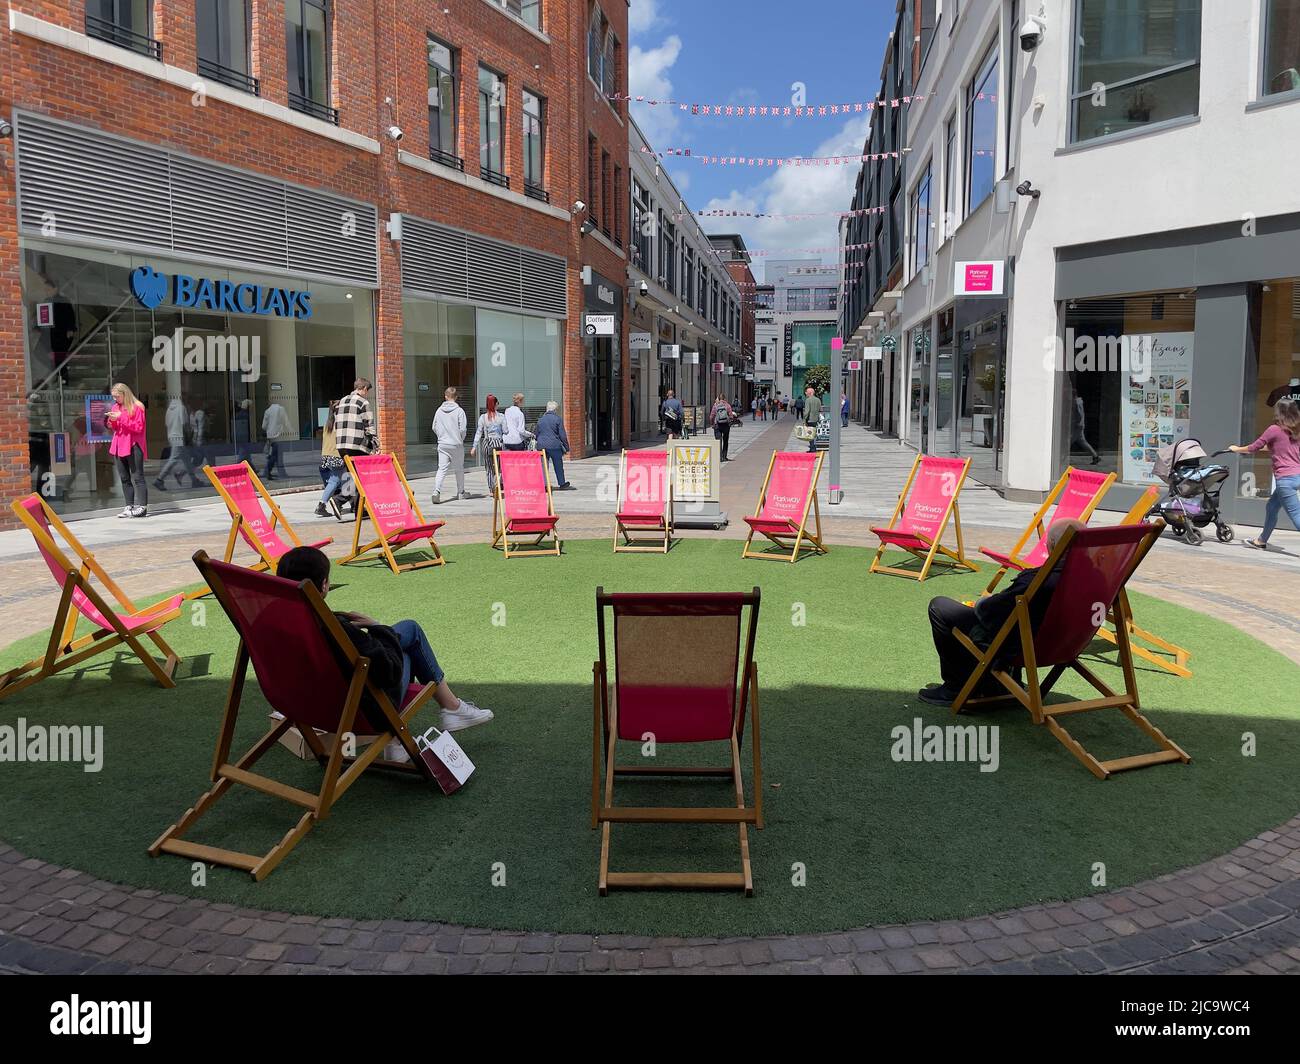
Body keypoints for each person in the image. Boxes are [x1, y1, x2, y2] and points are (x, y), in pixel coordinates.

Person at [276, 547, 494, 754]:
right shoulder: (334, 629)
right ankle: (450, 709)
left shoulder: (279, 624)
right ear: (323, 585)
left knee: (407, 631)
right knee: (411, 635)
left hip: (306, 705)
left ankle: (406, 738)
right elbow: (388, 673)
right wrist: (377, 628)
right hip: (360, 711)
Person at [919, 519, 1085, 707]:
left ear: (1053, 545)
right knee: (1020, 620)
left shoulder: (1040, 580)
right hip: (1065, 646)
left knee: (940, 607)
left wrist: (983, 602)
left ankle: (956, 687)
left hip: (1022, 648)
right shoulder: (1096, 578)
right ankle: (1004, 683)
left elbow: (992, 612)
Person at [1231, 396, 1300, 552]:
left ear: (1279, 412)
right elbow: (1280, 447)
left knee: (1296, 515)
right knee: (1272, 507)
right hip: (1296, 476)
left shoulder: (1274, 429)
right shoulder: (1296, 429)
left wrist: (1236, 449)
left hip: (1285, 480)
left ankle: (1261, 540)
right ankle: (1261, 541)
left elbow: (1254, 447)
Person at [106, 382, 148, 518]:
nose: (115, 399)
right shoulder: (116, 406)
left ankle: (142, 507)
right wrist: (112, 420)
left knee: (138, 477)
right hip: (119, 444)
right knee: (124, 477)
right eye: (113, 397)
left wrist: (120, 417)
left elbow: (138, 427)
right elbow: (115, 427)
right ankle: (129, 505)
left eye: (117, 396)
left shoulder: (137, 407)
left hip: (133, 444)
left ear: (125, 394)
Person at [431, 387, 468, 505]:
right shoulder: (459, 411)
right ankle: (461, 492)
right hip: (456, 443)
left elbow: (434, 426)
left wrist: (441, 436)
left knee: (441, 469)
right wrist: (459, 438)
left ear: (445, 396)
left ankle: (436, 491)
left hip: (443, 444)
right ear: (456, 397)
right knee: (459, 469)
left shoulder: (439, 410)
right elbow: (462, 429)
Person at [153, 396, 199, 491]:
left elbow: (167, 424)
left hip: (171, 436)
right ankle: (159, 479)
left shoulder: (169, 410)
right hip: (180, 437)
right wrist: (188, 437)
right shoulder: (181, 408)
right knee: (173, 459)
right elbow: (184, 424)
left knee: (186, 459)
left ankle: (194, 479)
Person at [316, 401, 350, 519]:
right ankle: (323, 504)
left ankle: (348, 503)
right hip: (337, 455)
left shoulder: (328, 423)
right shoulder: (339, 424)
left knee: (346, 478)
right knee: (335, 480)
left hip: (327, 455)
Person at [335, 379, 378, 464]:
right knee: (361, 473)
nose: (367, 394)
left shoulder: (341, 401)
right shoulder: (363, 402)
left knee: (350, 472)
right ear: (365, 388)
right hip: (357, 445)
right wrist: (375, 445)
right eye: (367, 391)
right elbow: (369, 426)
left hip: (341, 444)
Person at [471, 393, 506, 496]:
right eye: (498, 403)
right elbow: (506, 431)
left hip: (487, 444)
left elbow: (479, 432)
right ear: (495, 404)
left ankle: (491, 489)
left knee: (489, 468)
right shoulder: (501, 417)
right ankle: (497, 485)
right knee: (499, 468)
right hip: (498, 443)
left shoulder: (483, 417)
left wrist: (474, 447)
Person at [535, 400, 573, 489]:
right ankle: (562, 483)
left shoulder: (540, 420)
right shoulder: (558, 419)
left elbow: (536, 433)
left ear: (547, 409)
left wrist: (539, 441)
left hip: (542, 445)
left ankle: (544, 484)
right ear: (555, 410)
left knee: (543, 465)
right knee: (558, 465)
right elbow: (562, 435)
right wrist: (566, 447)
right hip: (554, 446)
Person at [261, 399, 292, 481]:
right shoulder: (281, 409)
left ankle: (278, 472)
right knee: (276, 455)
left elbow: (263, 426)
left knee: (274, 454)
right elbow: (286, 421)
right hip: (278, 436)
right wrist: (291, 430)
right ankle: (270, 470)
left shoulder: (267, 411)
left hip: (270, 436)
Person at [710, 392, 736, 462]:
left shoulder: (715, 405)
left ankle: (720, 457)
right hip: (726, 425)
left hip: (717, 425)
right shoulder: (727, 405)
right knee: (725, 441)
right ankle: (724, 456)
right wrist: (730, 422)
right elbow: (731, 416)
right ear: (725, 398)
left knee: (718, 441)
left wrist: (712, 424)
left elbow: (712, 416)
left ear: (718, 398)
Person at [802, 386, 822, 453]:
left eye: (806, 392)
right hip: (816, 419)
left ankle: (812, 449)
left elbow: (807, 411)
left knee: (810, 434)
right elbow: (820, 409)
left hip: (809, 419)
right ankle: (814, 447)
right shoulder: (818, 400)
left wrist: (804, 420)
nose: (805, 393)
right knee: (814, 434)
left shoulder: (808, 400)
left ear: (810, 393)